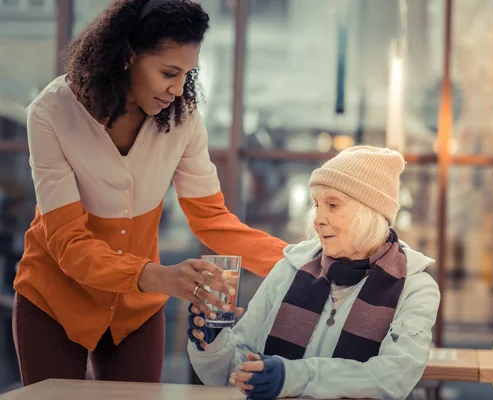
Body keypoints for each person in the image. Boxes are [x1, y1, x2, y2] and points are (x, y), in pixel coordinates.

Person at [12, 0, 287, 386]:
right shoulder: (51, 114)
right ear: (127, 55)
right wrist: (159, 276)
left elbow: (212, 220)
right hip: (55, 301)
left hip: (135, 309)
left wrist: (297, 265)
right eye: (168, 73)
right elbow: (68, 242)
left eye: (187, 75)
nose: (178, 90)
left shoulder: (183, 120)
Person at [188, 146, 441, 400]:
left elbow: (393, 378)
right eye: (317, 205)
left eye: (332, 205)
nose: (318, 219)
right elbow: (237, 372)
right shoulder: (291, 267)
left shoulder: (415, 287)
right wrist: (214, 344)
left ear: (370, 212)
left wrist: (293, 378)